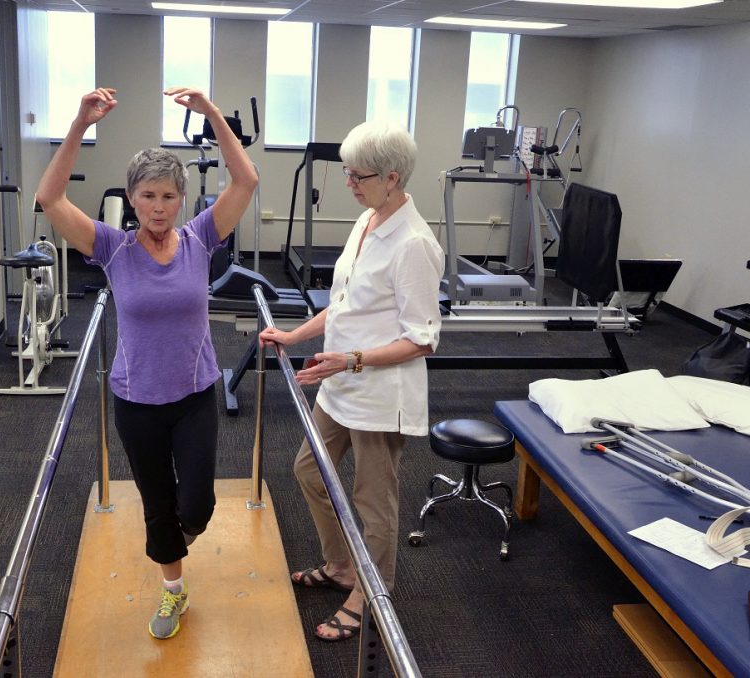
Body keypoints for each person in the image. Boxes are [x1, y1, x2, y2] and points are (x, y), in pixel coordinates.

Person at [36, 86, 258, 640]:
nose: (158, 207)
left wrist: (210, 113)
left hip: (193, 396)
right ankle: (173, 591)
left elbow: (246, 180)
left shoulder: (201, 238)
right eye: (147, 196)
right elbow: (50, 197)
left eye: (167, 196)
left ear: (182, 200)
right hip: (135, 403)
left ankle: (177, 535)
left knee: (197, 505)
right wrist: (79, 124)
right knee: (158, 506)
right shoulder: (111, 246)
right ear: (131, 199)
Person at [258, 121, 444, 642]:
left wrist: (350, 360)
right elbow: (344, 303)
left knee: (372, 499)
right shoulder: (367, 220)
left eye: (357, 174)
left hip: (381, 393)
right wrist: (295, 335)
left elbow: (424, 339)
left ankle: (372, 591)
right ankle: (342, 566)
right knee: (309, 471)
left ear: (391, 177)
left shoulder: (414, 244)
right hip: (342, 379)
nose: (348, 183)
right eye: (346, 171)